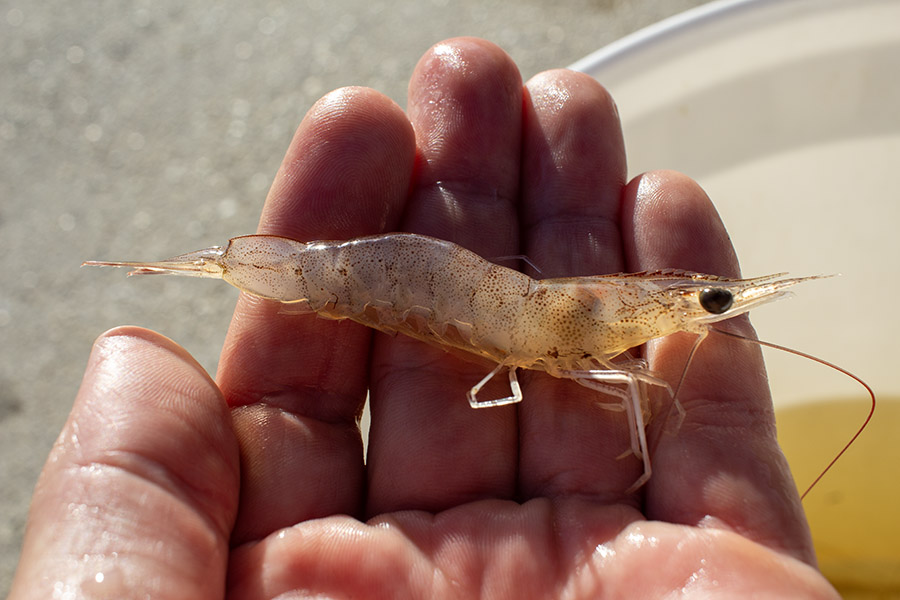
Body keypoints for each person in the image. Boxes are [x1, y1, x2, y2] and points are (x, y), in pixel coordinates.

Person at [9, 37, 838, 598]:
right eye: (710, 303)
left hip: (453, 291)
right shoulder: (608, 329)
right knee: (635, 389)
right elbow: (619, 384)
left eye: (711, 302)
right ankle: (224, 264)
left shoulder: (617, 311)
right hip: (396, 284)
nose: (707, 314)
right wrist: (646, 398)